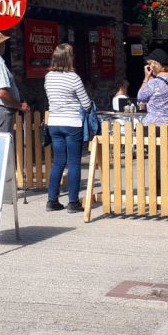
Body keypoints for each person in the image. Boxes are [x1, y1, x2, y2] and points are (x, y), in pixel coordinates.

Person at [43, 43, 92, 213]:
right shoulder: (73, 78)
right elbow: (86, 104)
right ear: (70, 57)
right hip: (72, 124)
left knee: (58, 162)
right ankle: (73, 202)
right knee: (73, 162)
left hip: (54, 123)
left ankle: (52, 200)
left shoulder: (49, 77)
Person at [136, 49, 168, 126]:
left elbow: (140, 97)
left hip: (155, 125)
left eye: (149, 64)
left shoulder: (153, 83)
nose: (149, 66)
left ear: (154, 65)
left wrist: (146, 78)